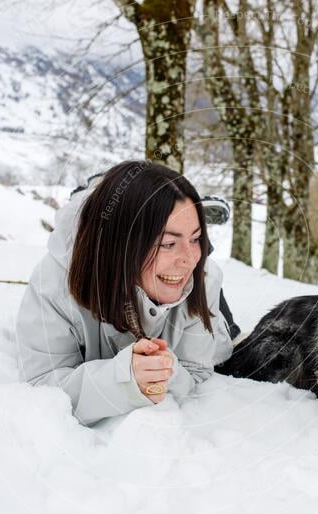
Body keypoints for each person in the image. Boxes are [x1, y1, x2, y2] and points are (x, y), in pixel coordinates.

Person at [15, 161, 235, 426]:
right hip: (110, 246)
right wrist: (122, 379)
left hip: (192, 292)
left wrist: (165, 371)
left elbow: (196, 372)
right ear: (122, 245)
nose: (190, 258)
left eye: (196, 238)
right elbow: (42, 385)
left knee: (225, 339)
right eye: (167, 243)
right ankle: (94, 193)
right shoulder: (53, 283)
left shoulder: (205, 273)